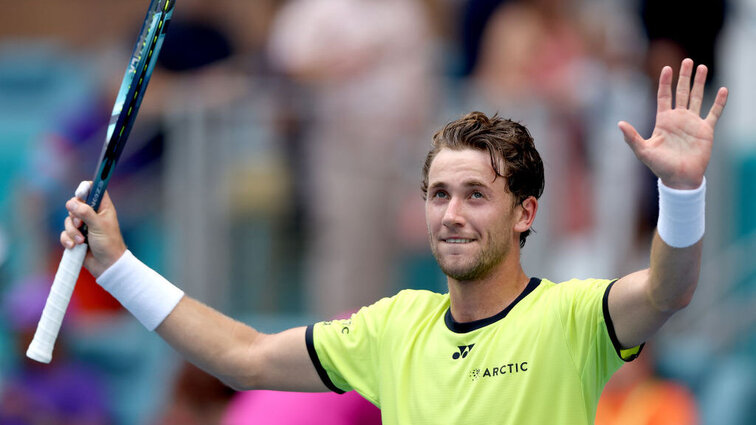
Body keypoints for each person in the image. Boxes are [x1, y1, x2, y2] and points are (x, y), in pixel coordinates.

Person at [58, 59, 727, 424]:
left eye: (475, 194)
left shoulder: (572, 318)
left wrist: (681, 193)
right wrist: (115, 264)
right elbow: (246, 356)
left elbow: (670, 286)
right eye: (439, 194)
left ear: (525, 213)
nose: (452, 214)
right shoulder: (390, 328)